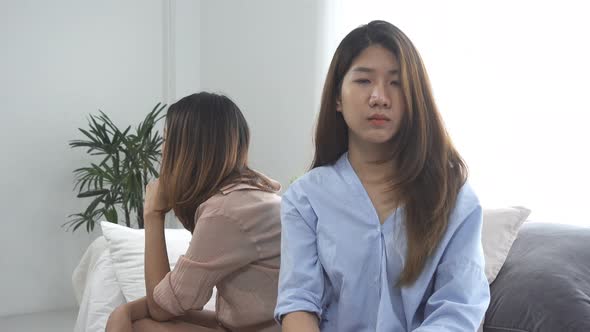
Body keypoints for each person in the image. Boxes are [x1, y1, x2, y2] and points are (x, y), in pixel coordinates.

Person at [275, 20, 490, 331]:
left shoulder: (454, 195)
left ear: (414, 97)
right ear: (337, 97)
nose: (379, 97)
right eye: (363, 81)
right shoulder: (305, 198)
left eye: (397, 83)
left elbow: (457, 310)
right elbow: (298, 302)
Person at [106, 92, 282, 332]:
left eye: (167, 140)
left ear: (188, 148)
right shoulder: (250, 196)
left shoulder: (226, 212)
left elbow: (162, 308)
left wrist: (153, 215)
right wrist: (124, 312)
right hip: (251, 324)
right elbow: (175, 303)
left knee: (141, 328)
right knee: (134, 320)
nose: (163, 151)